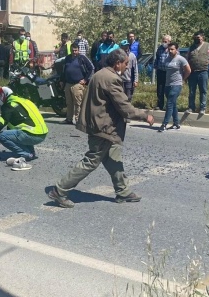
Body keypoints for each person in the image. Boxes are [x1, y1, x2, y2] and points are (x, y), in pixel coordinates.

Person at [47, 49, 155, 208]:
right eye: (126, 64)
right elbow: (124, 106)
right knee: (91, 161)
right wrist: (145, 116)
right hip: (104, 127)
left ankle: (123, 191)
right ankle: (60, 189)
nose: (127, 67)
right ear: (118, 63)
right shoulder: (111, 79)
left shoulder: (100, 74)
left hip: (97, 123)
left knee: (113, 158)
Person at [0, 86, 48, 170]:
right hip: (41, 134)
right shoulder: (23, 101)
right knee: (11, 128)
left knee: (2, 136)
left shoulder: (9, 105)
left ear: (1, 96)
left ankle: (24, 154)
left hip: (32, 134)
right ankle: (30, 153)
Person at [186, 31, 209, 116]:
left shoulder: (208, 45)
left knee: (203, 90)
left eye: (198, 37)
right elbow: (187, 59)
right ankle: (191, 107)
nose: (196, 39)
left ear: (202, 37)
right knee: (191, 91)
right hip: (192, 72)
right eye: (195, 37)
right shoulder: (191, 48)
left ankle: (202, 108)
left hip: (203, 72)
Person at [158, 42, 191, 132]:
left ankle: (164, 124)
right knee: (173, 105)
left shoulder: (181, 59)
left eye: (172, 49)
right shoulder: (167, 59)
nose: (170, 51)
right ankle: (176, 123)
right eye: (169, 49)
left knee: (169, 104)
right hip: (168, 85)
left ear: (176, 50)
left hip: (177, 85)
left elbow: (188, 70)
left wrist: (183, 79)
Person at [62, 43, 94, 124]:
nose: (74, 52)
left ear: (78, 50)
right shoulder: (67, 58)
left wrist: (85, 80)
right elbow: (64, 70)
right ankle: (69, 119)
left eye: (76, 50)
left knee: (78, 103)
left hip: (78, 84)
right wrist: (62, 80)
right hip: (68, 84)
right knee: (69, 103)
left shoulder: (82, 58)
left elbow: (91, 68)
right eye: (73, 50)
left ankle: (78, 120)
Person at [153, 34, 172, 110]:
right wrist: (155, 66)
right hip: (160, 71)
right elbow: (157, 58)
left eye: (166, 41)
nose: (164, 43)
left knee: (168, 89)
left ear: (169, 42)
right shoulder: (160, 48)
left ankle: (169, 105)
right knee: (160, 89)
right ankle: (160, 105)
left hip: (168, 72)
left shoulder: (172, 49)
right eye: (163, 41)